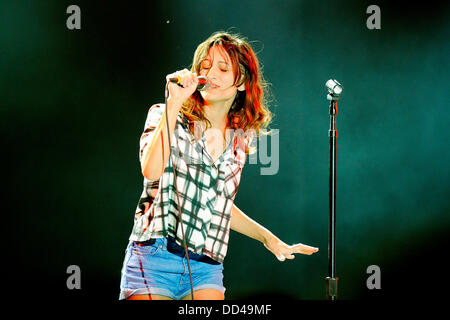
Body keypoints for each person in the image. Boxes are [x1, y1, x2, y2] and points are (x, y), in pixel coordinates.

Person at [119, 31, 319, 300]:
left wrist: (267, 238)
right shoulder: (165, 114)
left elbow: (219, 202)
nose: (210, 73)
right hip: (155, 256)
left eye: (223, 68)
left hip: (206, 266)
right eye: (205, 66)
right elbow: (151, 170)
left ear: (242, 83)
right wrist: (174, 102)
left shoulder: (240, 139)